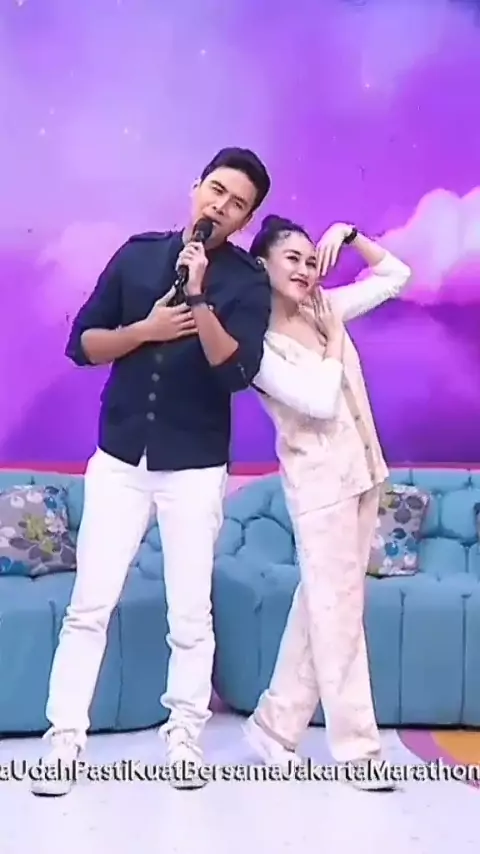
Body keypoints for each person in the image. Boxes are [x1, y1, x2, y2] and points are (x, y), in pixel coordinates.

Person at [31, 147, 272, 796]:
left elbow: (236, 372)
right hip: (119, 459)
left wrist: (198, 296)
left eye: (237, 204)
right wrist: (145, 330)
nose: (220, 206)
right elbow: (83, 344)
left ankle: (184, 736)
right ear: (196, 188)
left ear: (246, 219)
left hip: (194, 467)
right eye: (216, 190)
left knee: (190, 613)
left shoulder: (248, 283)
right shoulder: (137, 256)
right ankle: (64, 739)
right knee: (89, 606)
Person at [242, 215, 411, 791]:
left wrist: (351, 234)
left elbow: (395, 276)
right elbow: (318, 400)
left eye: (310, 259)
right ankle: (359, 750)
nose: (305, 269)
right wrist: (334, 330)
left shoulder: (325, 307)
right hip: (320, 490)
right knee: (338, 616)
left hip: (365, 475)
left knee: (322, 608)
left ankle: (273, 726)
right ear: (262, 265)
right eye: (291, 258)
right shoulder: (259, 346)